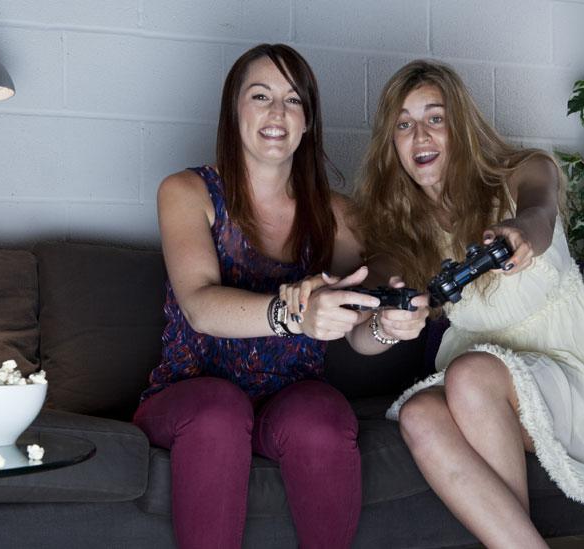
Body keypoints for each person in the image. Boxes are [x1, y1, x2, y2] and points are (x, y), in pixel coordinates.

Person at [131, 43, 422, 549]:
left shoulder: (335, 213)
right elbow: (200, 305)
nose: (276, 113)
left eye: (292, 100)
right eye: (260, 96)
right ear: (234, 110)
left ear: (307, 120)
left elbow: (385, 277)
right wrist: (297, 316)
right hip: (190, 393)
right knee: (220, 412)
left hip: (288, 395)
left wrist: (390, 311)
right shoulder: (187, 192)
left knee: (324, 416)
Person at [351, 60, 584, 548]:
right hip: (480, 381)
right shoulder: (400, 231)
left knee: (469, 374)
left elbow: (540, 209)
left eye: (435, 118)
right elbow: (361, 333)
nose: (419, 135)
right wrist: (385, 322)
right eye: (403, 124)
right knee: (419, 414)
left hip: (569, 378)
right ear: (392, 144)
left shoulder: (523, 171)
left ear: (461, 127)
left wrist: (521, 234)